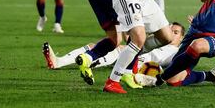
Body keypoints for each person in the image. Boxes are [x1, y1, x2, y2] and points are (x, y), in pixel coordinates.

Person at [41, 22, 185, 70]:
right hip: (132, 59)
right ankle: (59, 62)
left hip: (135, 65)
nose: (172, 34)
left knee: (119, 49)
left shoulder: (172, 51)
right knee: (96, 45)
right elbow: (131, 39)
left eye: (176, 32)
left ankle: (89, 62)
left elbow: (151, 59)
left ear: (182, 37)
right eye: (170, 30)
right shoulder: (157, 40)